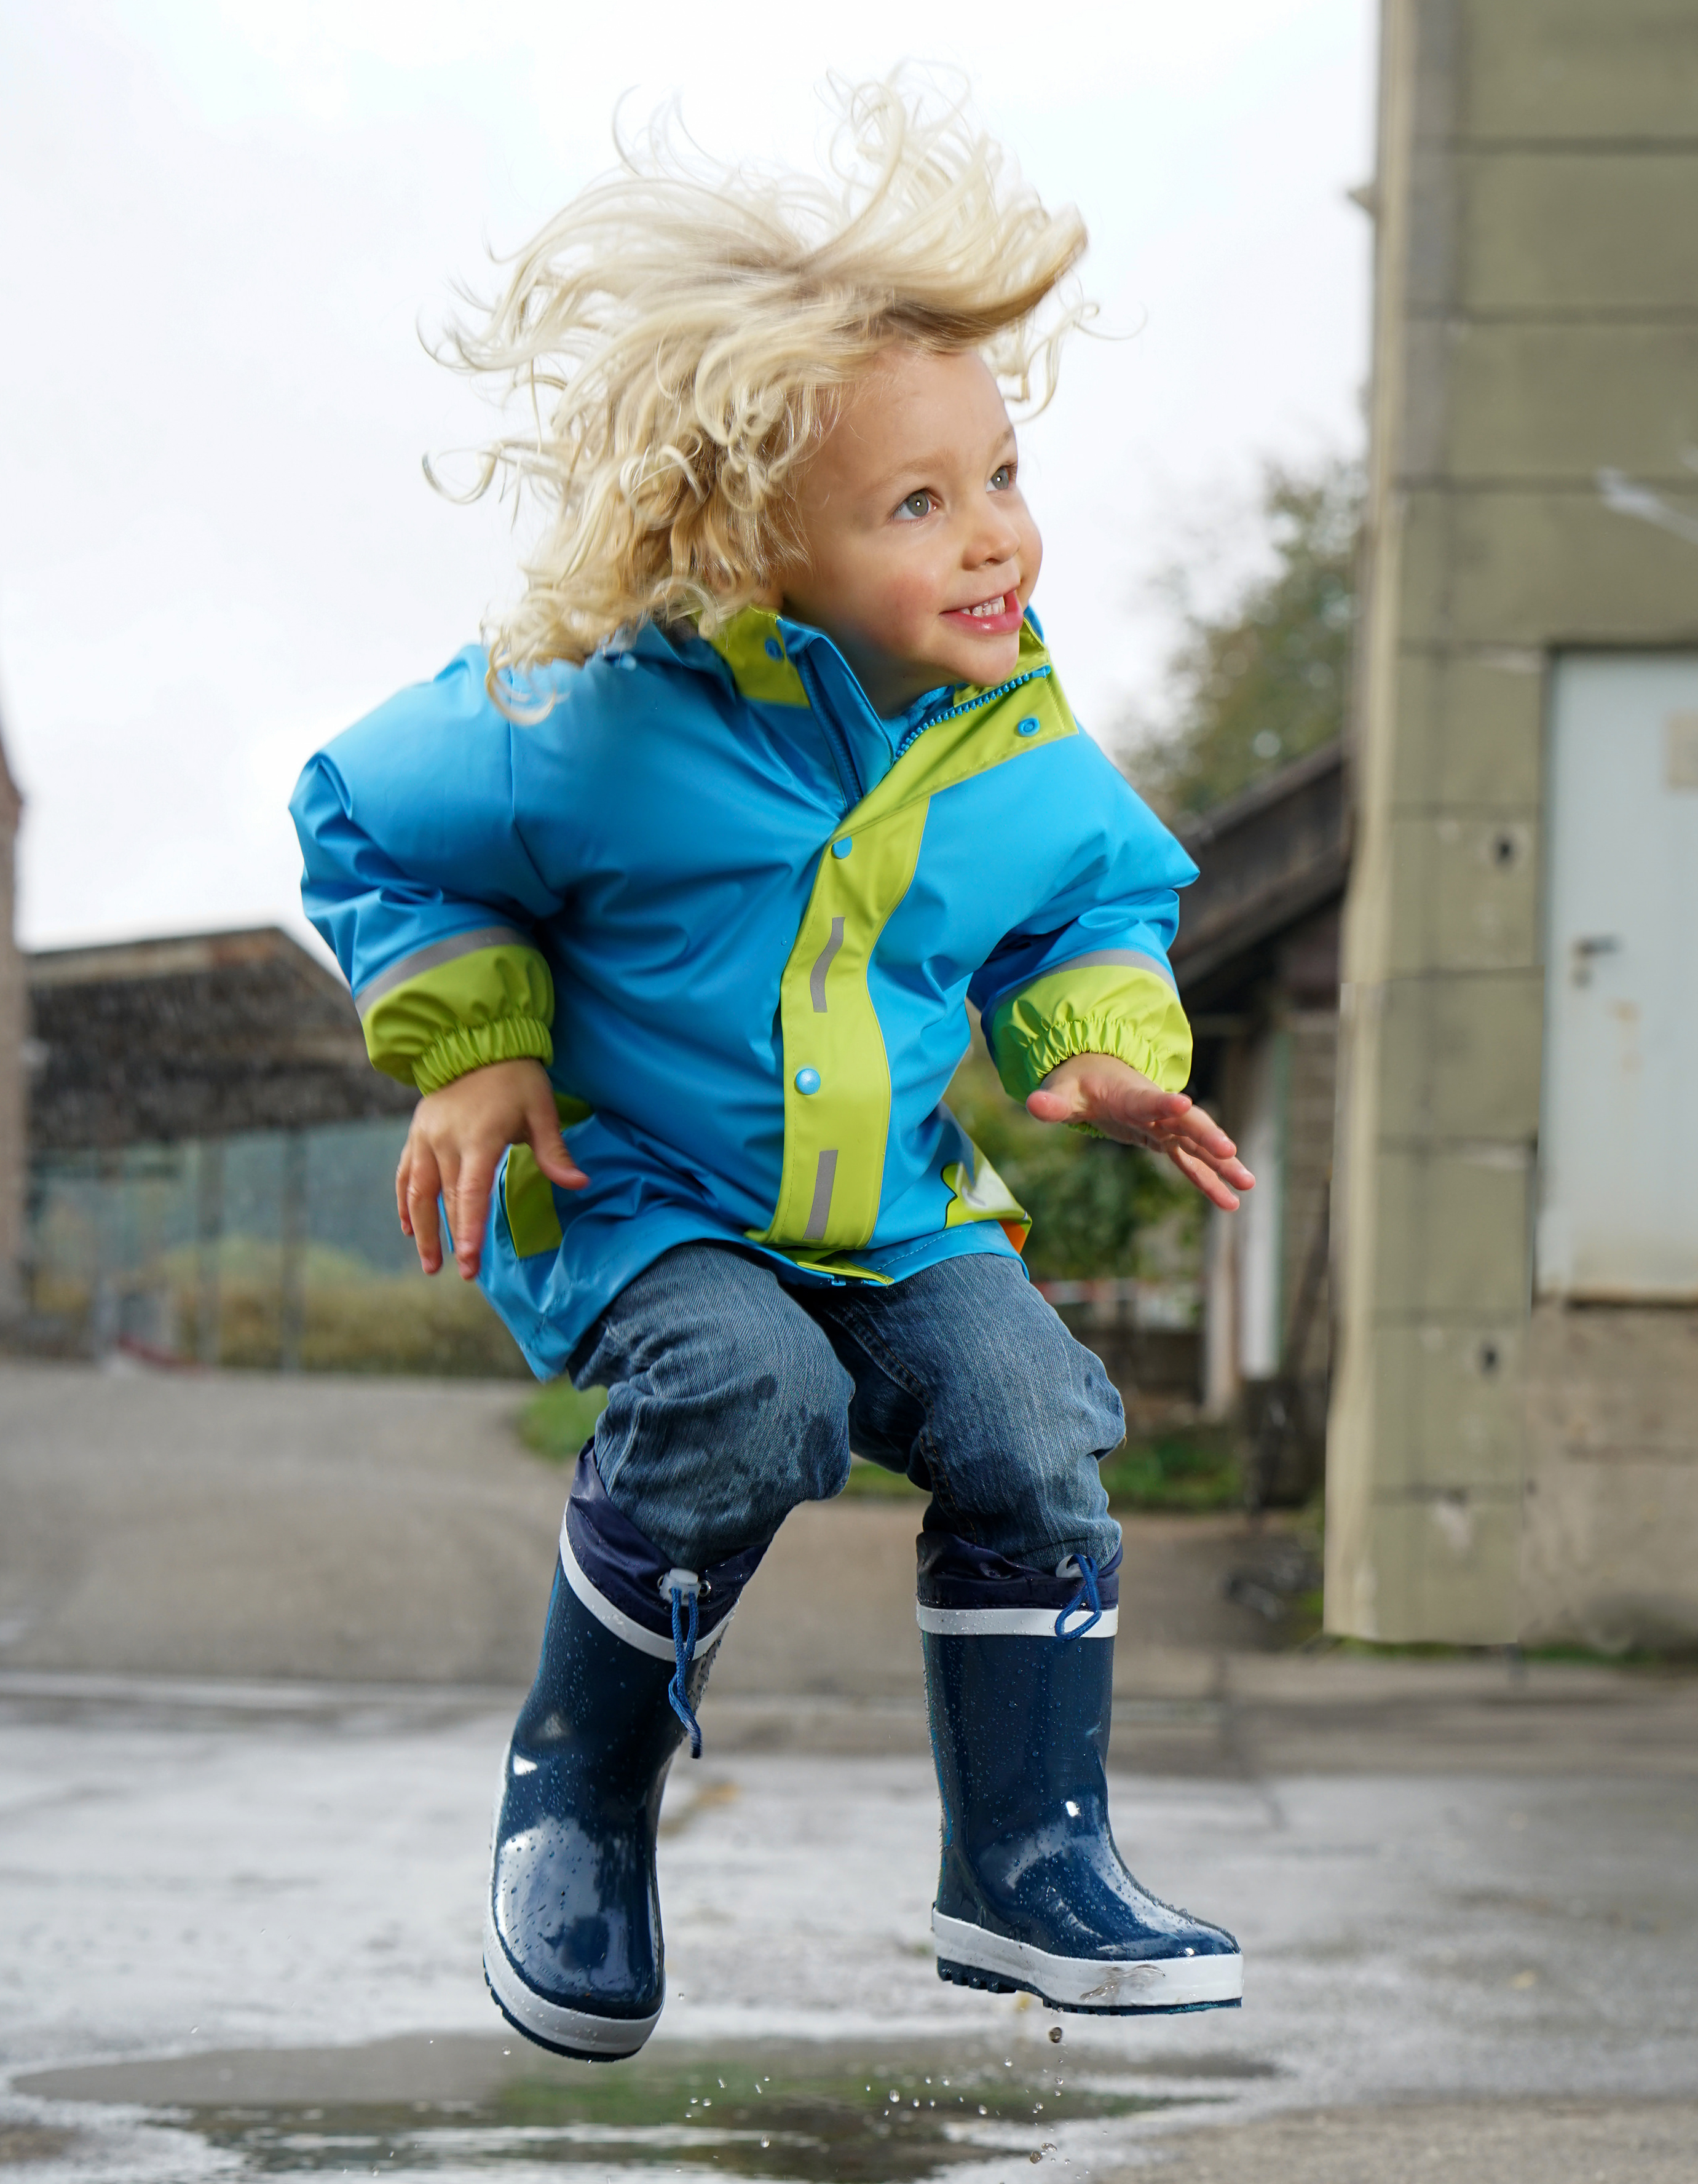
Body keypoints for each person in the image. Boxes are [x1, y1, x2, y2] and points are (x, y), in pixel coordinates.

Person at [290, 78, 1254, 2062]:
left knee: (1028, 1425)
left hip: (890, 1211)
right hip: (644, 1198)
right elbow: (365, 818)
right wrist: (473, 1049)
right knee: (751, 1393)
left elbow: (1095, 902)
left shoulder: (1007, 732)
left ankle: (1028, 1860)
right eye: (918, 506)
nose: (994, 537)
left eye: (1000, 474)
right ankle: (579, 1799)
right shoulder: (596, 719)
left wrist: (1095, 1041)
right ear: (754, 542)